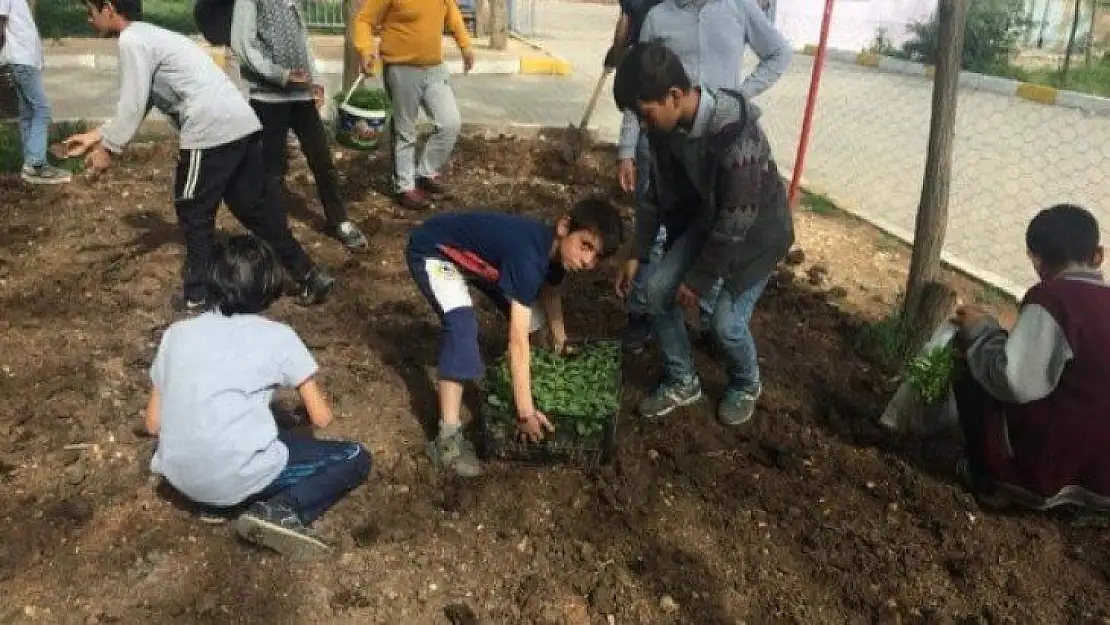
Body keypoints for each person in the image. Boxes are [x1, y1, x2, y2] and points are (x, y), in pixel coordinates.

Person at [63, 0, 334, 311]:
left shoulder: (132, 41)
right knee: (253, 207)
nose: (89, 19)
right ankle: (309, 275)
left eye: (91, 11)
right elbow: (143, 100)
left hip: (210, 127)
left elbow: (132, 104)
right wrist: (97, 135)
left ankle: (197, 295)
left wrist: (108, 150)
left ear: (109, 8)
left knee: (194, 209)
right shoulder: (152, 35)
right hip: (240, 122)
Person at [144, 234, 371, 557]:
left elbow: (153, 425)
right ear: (270, 285)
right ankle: (282, 510)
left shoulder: (176, 333)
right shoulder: (279, 337)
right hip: (233, 477)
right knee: (354, 457)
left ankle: (214, 506)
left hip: (182, 479)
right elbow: (322, 417)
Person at [612, 42, 793, 425]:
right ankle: (683, 380)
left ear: (675, 96)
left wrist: (697, 279)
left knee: (725, 325)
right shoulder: (664, 130)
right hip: (711, 221)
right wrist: (637, 253)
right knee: (656, 291)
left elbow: (737, 219)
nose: (642, 125)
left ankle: (746, 383)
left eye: (645, 114)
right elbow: (653, 197)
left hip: (758, 234)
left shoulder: (734, 133)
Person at [405, 198, 624, 477]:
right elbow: (517, 340)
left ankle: (533, 375)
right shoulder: (528, 257)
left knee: (536, 318)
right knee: (462, 327)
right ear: (564, 226)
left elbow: (551, 292)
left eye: (597, 256)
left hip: (476, 261)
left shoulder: (554, 252)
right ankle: (447, 439)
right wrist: (525, 412)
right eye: (585, 246)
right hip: (435, 250)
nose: (588, 261)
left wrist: (561, 342)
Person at [951, 204, 1110, 511]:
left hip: (1047, 476)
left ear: (1037, 261)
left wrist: (982, 331)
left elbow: (1012, 381)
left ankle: (987, 477)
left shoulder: (1052, 298)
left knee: (970, 363)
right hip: (1103, 481)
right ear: (1098, 256)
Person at [229, 0, 369, 251]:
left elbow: (303, 41)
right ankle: (276, 231)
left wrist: (314, 79)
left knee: (322, 159)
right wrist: (280, 75)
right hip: (268, 96)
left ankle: (339, 220)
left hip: (301, 94)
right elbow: (243, 45)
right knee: (273, 169)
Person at [352, 0, 475, 211]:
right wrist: (364, 49)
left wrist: (465, 46)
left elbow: (451, 12)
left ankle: (426, 172)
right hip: (401, 68)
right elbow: (364, 20)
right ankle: (404, 186)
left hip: (434, 67)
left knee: (450, 123)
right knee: (405, 130)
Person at [0, 0, 71, 184]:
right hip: (21, 59)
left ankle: (30, 164)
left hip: (25, 59)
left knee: (28, 113)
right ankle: (36, 164)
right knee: (42, 110)